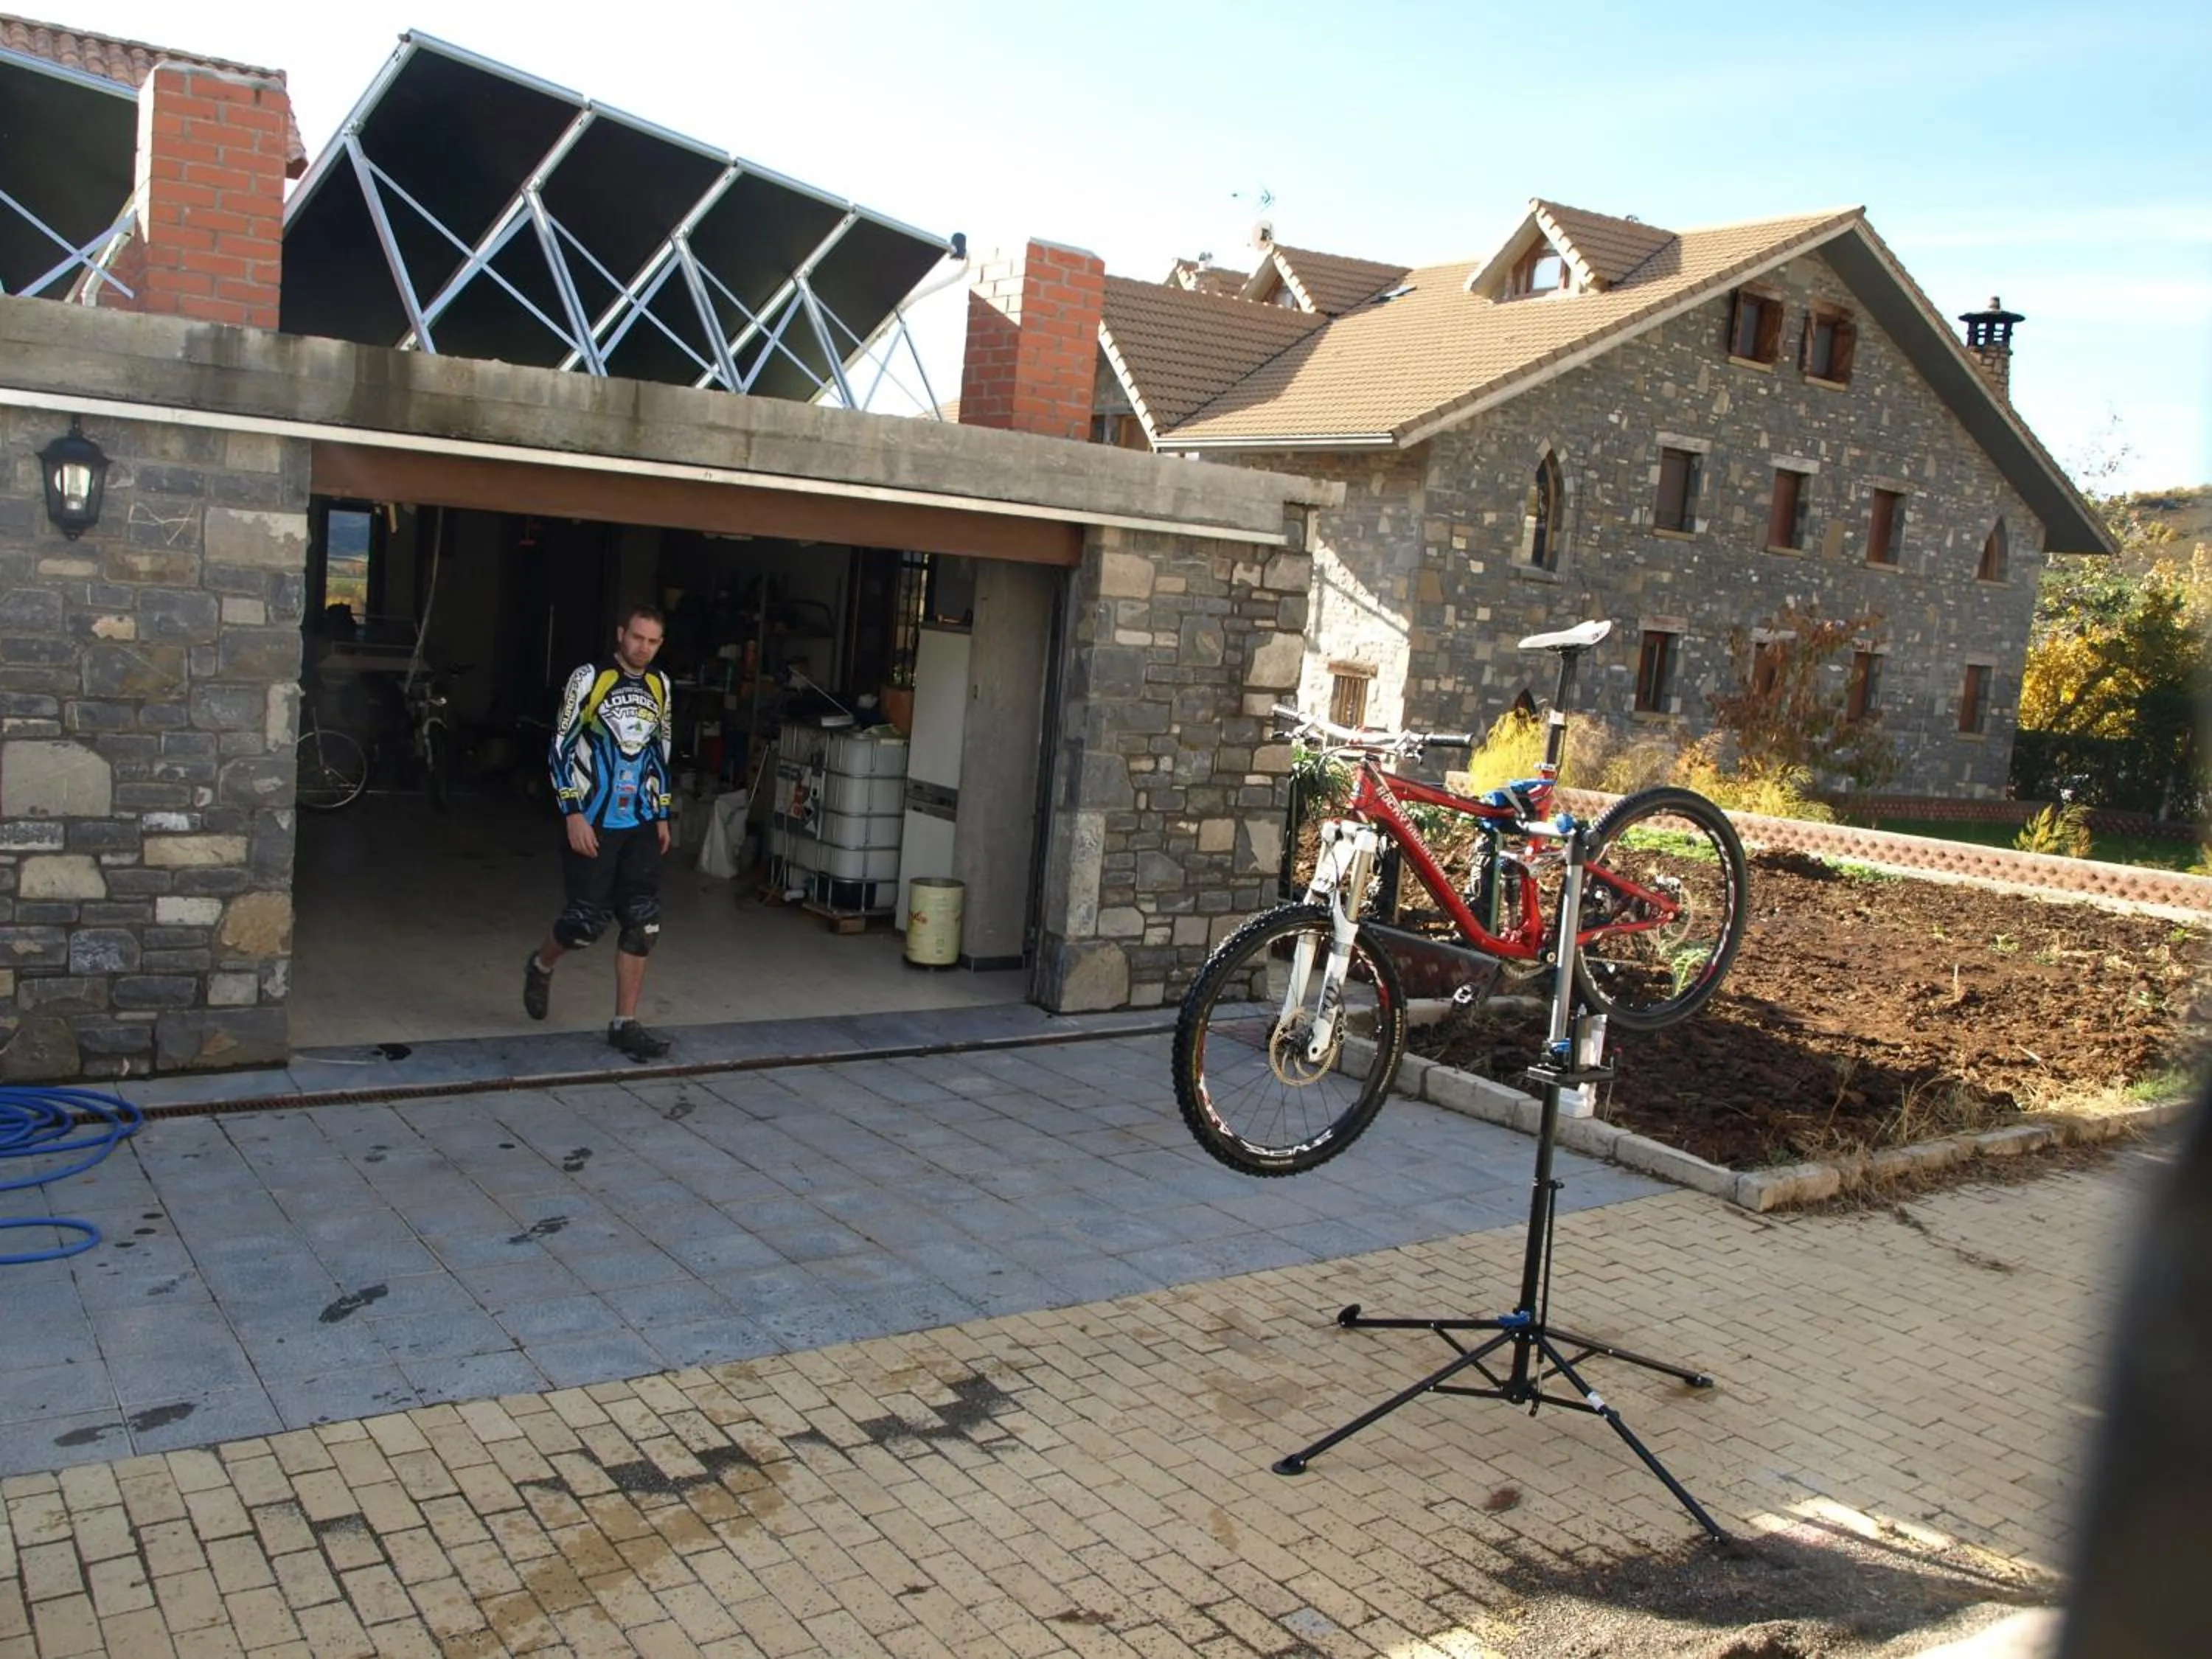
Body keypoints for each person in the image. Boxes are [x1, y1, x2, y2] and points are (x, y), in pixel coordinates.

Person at [524, 605, 676, 1059]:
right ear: (621, 634)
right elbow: (559, 746)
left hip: (642, 820)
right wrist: (572, 813)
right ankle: (541, 963)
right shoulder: (589, 678)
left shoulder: (660, 686)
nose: (642, 647)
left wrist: (663, 812)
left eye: (652, 641)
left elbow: (660, 750)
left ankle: (624, 1023)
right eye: (636, 637)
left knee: (643, 921)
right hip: (593, 818)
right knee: (585, 924)